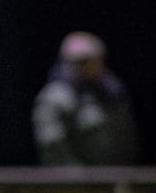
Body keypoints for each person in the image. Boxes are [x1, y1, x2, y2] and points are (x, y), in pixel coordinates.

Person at [33, 31, 140, 166]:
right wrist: (81, 181)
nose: (93, 66)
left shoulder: (111, 93)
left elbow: (124, 138)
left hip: (116, 177)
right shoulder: (55, 99)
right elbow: (53, 149)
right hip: (77, 183)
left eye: (97, 60)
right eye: (84, 62)